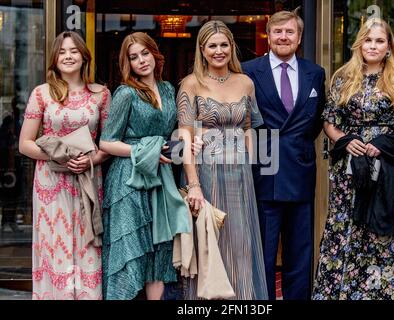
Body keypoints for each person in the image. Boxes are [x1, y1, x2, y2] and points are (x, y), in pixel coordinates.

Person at [312, 18, 394, 300]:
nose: (373, 46)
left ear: (389, 46)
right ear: (359, 44)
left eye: (380, 41)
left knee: (390, 234)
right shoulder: (342, 78)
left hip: (391, 168)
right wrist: (345, 140)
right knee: (351, 230)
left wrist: (383, 144)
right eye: (368, 40)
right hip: (352, 172)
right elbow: (329, 121)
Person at [177, 20, 268, 300]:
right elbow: (184, 137)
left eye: (224, 45)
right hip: (204, 173)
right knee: (209, 242)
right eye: (212, 46)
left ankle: (241, 299)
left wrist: (252, 163)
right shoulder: (190, 84)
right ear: (202, 50)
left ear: (232, 47)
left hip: (239, 175)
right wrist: (193, 184)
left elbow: (249, 128)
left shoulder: (246, 83)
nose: (219, 51)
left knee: (241, 244)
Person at [19, 31, 111, 300]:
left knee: (87, 245)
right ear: (54, 59)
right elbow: (25, 144)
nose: (68, 56)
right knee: (53, 246)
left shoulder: (101, 95)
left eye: (73, 51)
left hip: (88, 180)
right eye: (62, 52)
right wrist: (61, 155)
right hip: (51, 183)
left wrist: (91, 159)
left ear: (84, 57)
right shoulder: (42, 94)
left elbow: (108, 143)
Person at [99, 32, 190, 300]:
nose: (141, 60)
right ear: (128, 63)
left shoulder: (168, 89)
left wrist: (186, 146)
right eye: (134, 57)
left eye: (145, 53)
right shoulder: (126, 93)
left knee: (158, 253)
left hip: (161, 180)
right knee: (129, 253)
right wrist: (143, 151)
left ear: (155, 53)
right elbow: (107, 142)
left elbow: (170, 135)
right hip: (129, 181)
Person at [242, 10, 326, 300]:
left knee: (300, 251)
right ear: (268, 34)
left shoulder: (315, 73)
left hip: (300, 169)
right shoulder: (248, 70)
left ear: (300, 37)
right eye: (278, 32)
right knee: (263, 252)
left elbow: (315, 122)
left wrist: (296, 145)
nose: (283, 37)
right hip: (264, 170)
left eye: (290, 32)